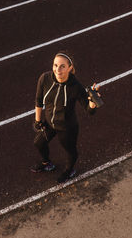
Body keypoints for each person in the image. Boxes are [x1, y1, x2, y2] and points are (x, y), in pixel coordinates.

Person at [30, 51, 100, 183]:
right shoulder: (44, 79)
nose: (58, 69)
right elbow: (38, 100)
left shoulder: (76, 86)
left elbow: (89, 111)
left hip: (67, 127)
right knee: (38, 142)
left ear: (70, 68)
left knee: (70, 150)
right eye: (55, 65)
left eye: (62, 66)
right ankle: (47, 164)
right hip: (49, 123)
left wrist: (92, 102)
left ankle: (69, 171)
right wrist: (38, 120)